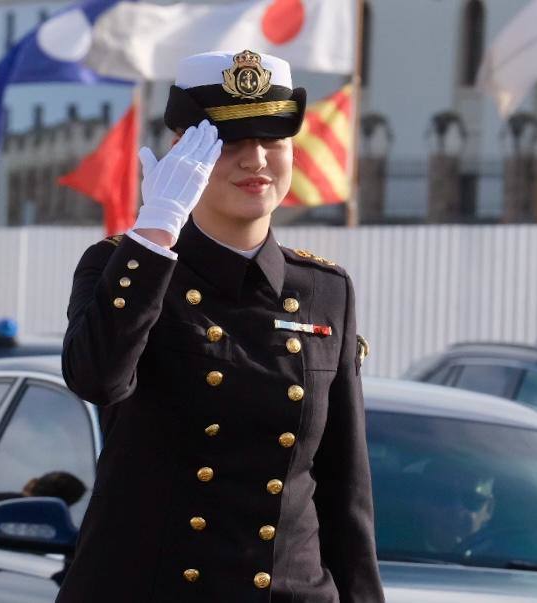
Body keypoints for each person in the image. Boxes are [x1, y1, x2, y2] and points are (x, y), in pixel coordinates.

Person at [56, 50, 383, 602]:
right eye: (230, 143)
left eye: (273, 141)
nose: (255, 160)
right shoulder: (125, 266)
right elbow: (97, 378)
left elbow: (345, 491)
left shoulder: (324, 290)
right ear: (185, 151)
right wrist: (156, 234)